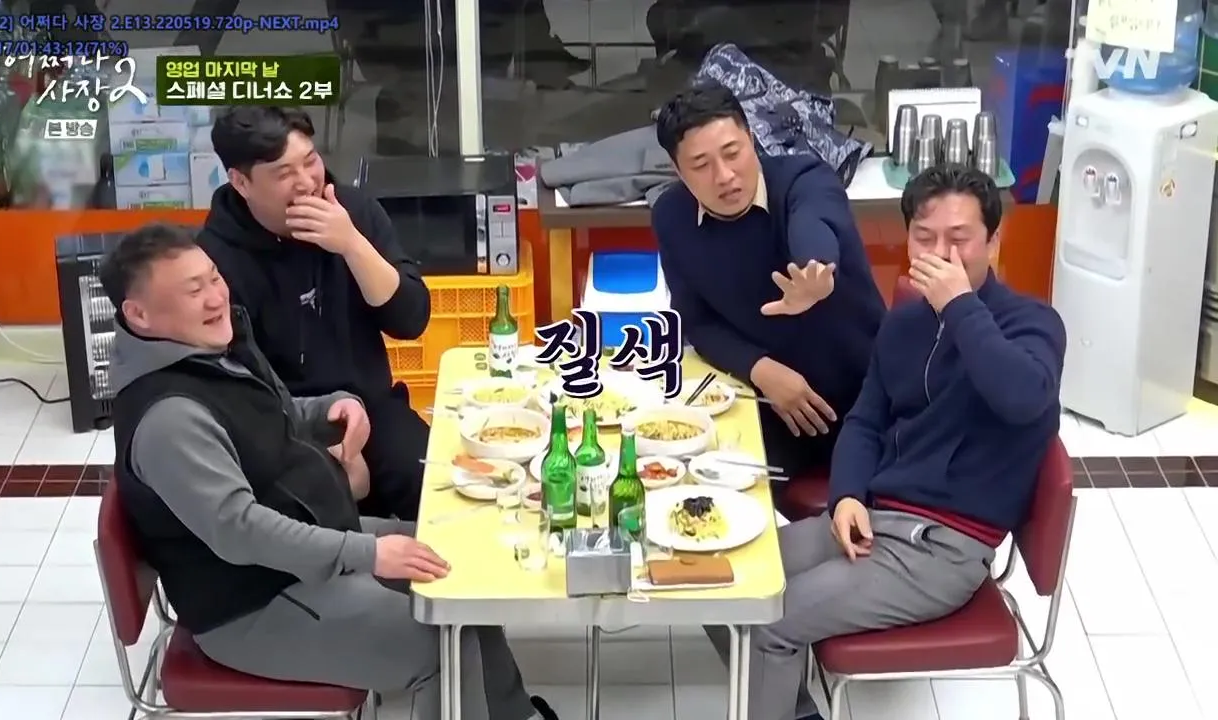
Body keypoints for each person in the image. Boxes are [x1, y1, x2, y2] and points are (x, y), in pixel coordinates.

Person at [103, 224, 558, 720]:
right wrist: (369, 553)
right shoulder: (169, 419)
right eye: (194, 291)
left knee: (465, 579)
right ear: (139, 314)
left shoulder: (207, 350)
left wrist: (331, 408)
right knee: (444, 644)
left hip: (306, 543)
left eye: (214, 278)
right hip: (257, 602)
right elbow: (241, 532)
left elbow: (268, 414)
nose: (216, 297)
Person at [706, 164, 1066, 720]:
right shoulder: (904, 325)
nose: (941, 255)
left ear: (994, 242)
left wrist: (959, 306)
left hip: (941, 548)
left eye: (959, 239)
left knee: (772, 621)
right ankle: (794, 709)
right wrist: (847, 494)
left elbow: (1020, 396)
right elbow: (866, 420)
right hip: (873, 519)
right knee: (718, 583)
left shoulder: (1033, 324)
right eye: (925, 238)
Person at [196, 106, 431, 522]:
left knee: (436, 485)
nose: (306, 182)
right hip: (286, 425)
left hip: (374, 407)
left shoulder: (353, 210)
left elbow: (411, 320)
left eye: (310, 161)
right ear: (241, 182)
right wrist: (321, 442)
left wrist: (352, 245)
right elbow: (235, 391)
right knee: (324, 509)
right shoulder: (216, 259)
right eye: (284, 173)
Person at [651, 82, 887, 477]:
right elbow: (698, 322)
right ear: (678, 171)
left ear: (751, 139)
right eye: (701, 165)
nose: (724, 176)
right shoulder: (671, 217)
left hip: (864, 405)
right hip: (767, 407)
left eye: (732, 153)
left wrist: (814, 269)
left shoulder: (805, 178)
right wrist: (761, 370)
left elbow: (814, 220)